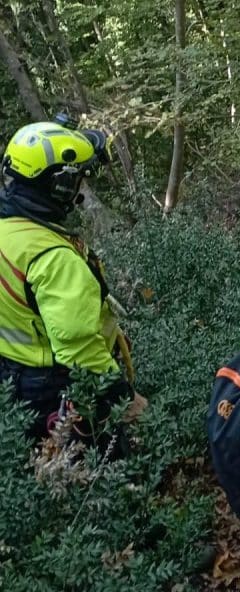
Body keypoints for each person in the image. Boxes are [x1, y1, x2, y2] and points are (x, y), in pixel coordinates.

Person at [0, 119, 146, 442]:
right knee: (105, 462)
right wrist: (121, 397)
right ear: (60, 186)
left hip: (14, 378)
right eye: (76, 180)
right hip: (57, 387)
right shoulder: (53, 257)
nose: (79, 189)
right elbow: (78, 348)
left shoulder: (9, 231)